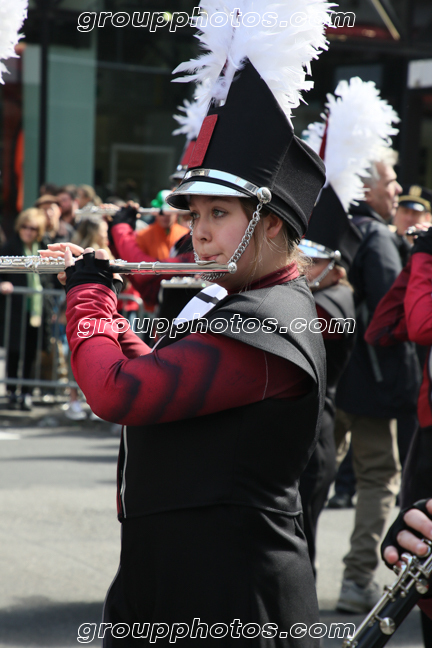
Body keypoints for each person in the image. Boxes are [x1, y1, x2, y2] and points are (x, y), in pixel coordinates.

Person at [50, 1, 334, 640]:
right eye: (195, 214)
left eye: (218, 215)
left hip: (232, 591)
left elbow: (120, 393)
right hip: (176, 571)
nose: (198, 235)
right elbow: (158, 368)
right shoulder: (234, 299)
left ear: (270, 224)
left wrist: (88, 298)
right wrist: (104, 294)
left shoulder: (272, 318)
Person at [334, 145, 422, 612]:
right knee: (378, 478)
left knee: (309, 478)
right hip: (370, 384)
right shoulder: (377, 236)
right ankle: (356, 581)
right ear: (367, 188)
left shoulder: (326, 225)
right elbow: (394, 315)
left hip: (324, 377)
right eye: (390, 182)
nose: (397, 190)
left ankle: (290, 577)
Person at [0, 208, 48, 410]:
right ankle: (11, 392)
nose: (28, 231)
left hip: (37, 310)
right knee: (14, 351)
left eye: (33, 228)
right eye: (25, 227)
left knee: (30, 352)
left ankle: (26, 393)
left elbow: (49, 278)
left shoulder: (43, 248)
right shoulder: (9, 246)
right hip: (15, 309)